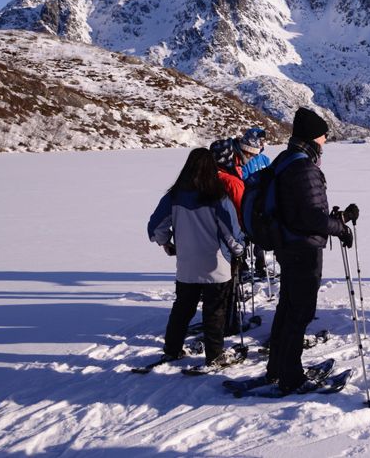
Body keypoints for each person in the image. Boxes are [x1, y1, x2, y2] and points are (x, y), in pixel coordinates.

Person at [266, 107, 356, 394]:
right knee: (299, 313)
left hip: (287, 243)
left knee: (287, 308)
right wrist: (340, 228)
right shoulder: (303, 167)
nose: (325, 141)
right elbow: (312, 218)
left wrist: (336, 219)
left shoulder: (285, 159)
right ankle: (291, 376)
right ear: (312, 137)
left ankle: (277, 368)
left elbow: (303, 209)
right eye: (323, 135)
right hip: (301, 249)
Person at [147, 148, 246, 368]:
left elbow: (156, 227)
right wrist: (239, 251)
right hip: (216, 264)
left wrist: (167, 243)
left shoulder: (173, 197)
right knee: (214, 312)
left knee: (182, 309)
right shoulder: (217, 196)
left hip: (187, 265)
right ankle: (214, 355)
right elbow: (231, 232)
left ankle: (172, 350)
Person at [235, 127, 272, 277]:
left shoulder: (265, 160)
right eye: (260, 141)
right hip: (245, 202)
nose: (263, 144)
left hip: (262, 202)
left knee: (261, 234)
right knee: (244, 234)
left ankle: (260, 264)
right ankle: (242, 263)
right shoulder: (242, 161)